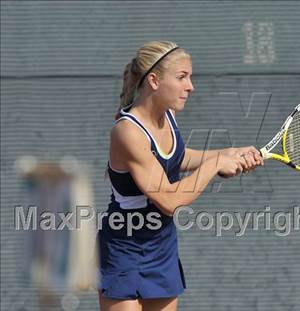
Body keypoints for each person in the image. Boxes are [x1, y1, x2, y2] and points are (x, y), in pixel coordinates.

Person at [98, 41, 263, 311]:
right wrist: (216, 164)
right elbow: (170, 200)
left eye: (190, 77)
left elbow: (176, 159)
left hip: (161, 246)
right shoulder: (127, 132)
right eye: (182, 77)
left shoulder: (169, 115)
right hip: (124, 247)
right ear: (153, 80)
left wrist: (228, 153)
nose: (191, 86)